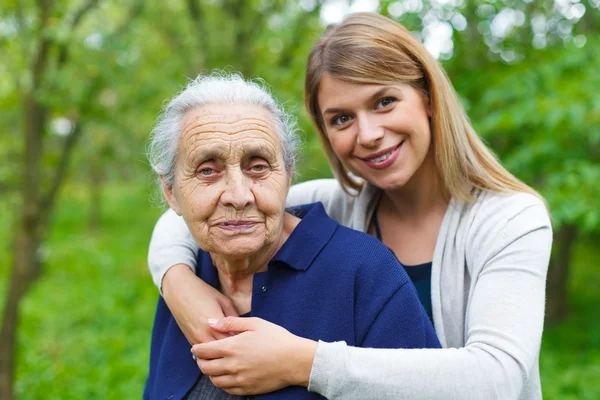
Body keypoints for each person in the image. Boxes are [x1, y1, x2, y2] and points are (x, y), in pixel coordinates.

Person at [147, 13, 553, 400]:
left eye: (384, 102)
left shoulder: (510, 220)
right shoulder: (332, 202)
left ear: (428, 98)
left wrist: (303, 363)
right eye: (341, 118)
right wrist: (179, 284)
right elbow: (193, 212)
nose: (370, 134)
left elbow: (498, 379)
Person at [143, 73, 439, 400]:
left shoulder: (365, 271)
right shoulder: (187, 273)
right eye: (207, 171)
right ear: (171, 193)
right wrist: (176, 279)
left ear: (288, 176)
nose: (238, 196)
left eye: (257, 167)